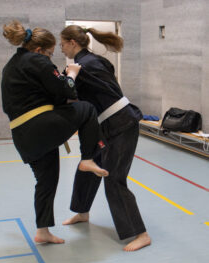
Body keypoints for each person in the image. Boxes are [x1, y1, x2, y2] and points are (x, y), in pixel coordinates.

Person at [1, 20, 109, 244]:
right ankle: (88, 158)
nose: (50, 58)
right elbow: (67, 92)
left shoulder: (12, 65)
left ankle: (42, 231)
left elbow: (50, 95)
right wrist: (70, 74)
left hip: (23, 137)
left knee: (46, 180)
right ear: (40, 50)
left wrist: (59, 82)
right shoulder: (37, 60)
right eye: (50, 54)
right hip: (40, 126)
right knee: (87, 109)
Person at [60, 25, 151, 251]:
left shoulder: (84, 66)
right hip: (105, 126)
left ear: (72, 42)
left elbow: (68, 92)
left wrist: (67, 79)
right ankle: (82, 212)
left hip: (121, 125)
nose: (61, 48)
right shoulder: (92, 62)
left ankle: (140, 234)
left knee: (114, 178)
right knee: (87, 165)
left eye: (62, 44)